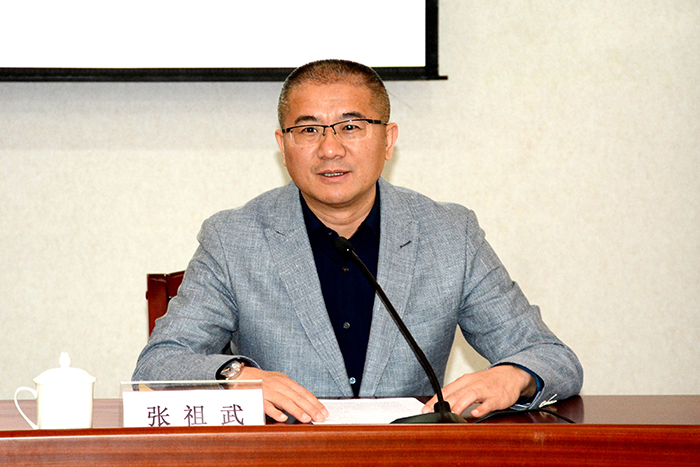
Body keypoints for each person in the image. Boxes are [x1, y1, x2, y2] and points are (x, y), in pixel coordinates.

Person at [133, 59, 583, 424]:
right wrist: (235, 375)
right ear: (283, 146)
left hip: (408, 459)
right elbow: (159, 362)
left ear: (388, 140)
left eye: (351, 126)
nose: (330, 149)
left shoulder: (449, 234)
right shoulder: (234, 239)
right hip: (284, 459)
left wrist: (512, 376)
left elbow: (553, 358)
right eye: (308, 130)